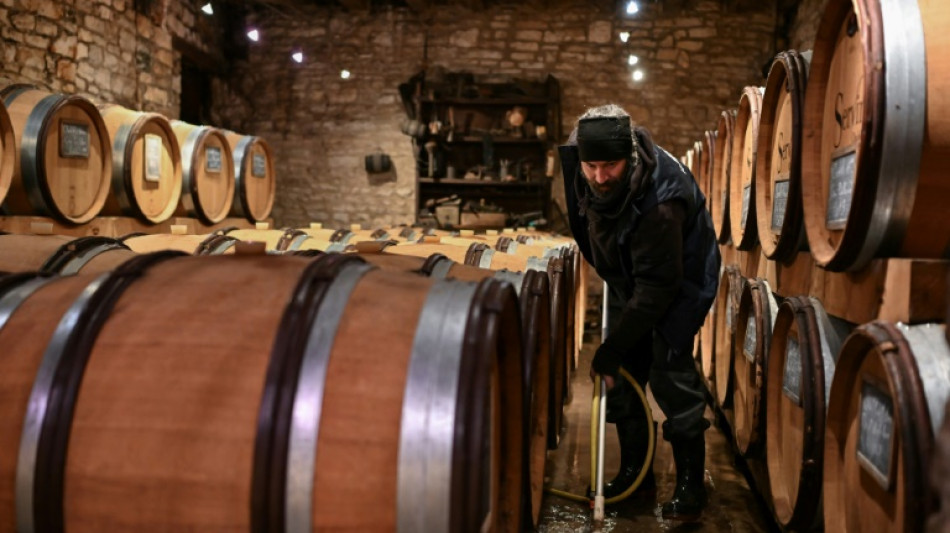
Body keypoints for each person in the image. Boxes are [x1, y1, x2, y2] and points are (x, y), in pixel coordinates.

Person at [559, 104, 720, 521]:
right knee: (624, 376)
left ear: (629, 157)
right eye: (591, 166)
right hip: (629, 272)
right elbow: (584, 224)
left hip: (680, 280)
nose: (598, 177)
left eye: (609, 166)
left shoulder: (662, 201)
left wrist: (610, 348)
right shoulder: (582, 167)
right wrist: (618, 347)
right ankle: (636, 474)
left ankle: (690, 486)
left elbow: (658, 289)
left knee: (671, 374)